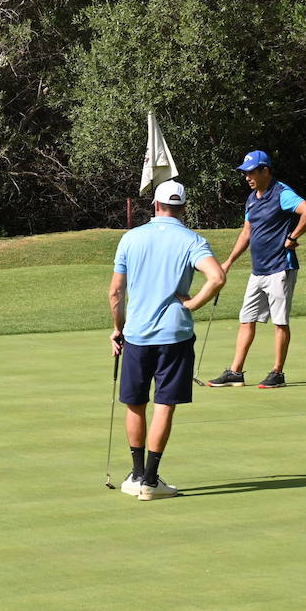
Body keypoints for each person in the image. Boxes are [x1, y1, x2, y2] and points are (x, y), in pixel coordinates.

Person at [109, 181, 225, 500]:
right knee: (164, 404)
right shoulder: (192, 240)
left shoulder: (131, 238)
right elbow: (216, 278)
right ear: (183, 208)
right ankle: (149, 479)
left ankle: (135, 475)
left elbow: (115, 293)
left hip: (136, 334)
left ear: (156, 205)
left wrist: (118, 328)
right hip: (175, 335)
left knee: (135, 402)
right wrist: (191, 304)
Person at [208, 150, 306, 389]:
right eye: (245, 173)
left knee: (280, 321)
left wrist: (293, 236)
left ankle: (277, 373)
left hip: (281, 267)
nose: (247, 177)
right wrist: (228, 261)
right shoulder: (251, 198)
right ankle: (236, 372)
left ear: (265, 171)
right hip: (258, 271)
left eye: (251, 172)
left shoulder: (282, 193)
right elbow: (247, 233)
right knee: (246, 319)